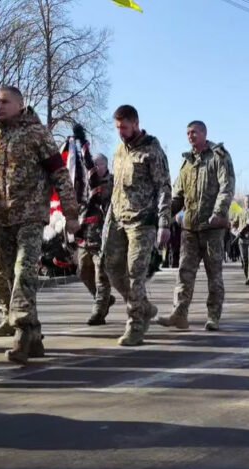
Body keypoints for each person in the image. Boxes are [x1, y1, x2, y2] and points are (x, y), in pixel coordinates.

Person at [0, 86, 79, 364]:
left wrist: (71, 213)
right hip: (1, 219)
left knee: (24, 273)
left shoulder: (37, 133)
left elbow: (59, 173)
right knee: (11, 277)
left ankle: (23, 334)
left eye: (4, 102)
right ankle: (34, 337)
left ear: (20, 104)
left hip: (30, 217)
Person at [104, 105, 172, 346]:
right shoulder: (119, 151)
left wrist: (164, 223)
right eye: (117, 128)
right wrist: (108, 220)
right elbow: (116, 188)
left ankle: (135, 324)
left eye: (124, 127)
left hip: (142, 222)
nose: (120, 132)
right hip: (117, 219)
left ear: (135, 124)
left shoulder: (152, 150)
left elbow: (164, 188)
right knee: (112, 269)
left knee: (135, 273)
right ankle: (143, 306)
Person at [157, 121, 235, 332]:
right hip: (190, 229)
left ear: (204, 133)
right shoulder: (187, 162)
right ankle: (179, 314)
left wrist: (219, 213)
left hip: (212, 228)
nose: (190, 136)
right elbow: (177, 196)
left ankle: (213, 316)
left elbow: (226, 187)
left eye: (194, 132)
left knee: (214, 275)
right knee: (184, 273)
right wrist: (163, 217)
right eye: (188, 133)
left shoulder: (218, 157)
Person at [75, 150, 114, 326]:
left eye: (100, 164)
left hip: (104, 237)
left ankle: (99, 312)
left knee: (102, 276)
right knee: (83, 271)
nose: (96, 167)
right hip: (86, 236)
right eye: (94, 164)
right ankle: (104, 299)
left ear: (106, 165)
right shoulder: (84, 184)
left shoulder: (113, 183)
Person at [232, 195, 249, 284]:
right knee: (244, 260)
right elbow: (233, 225)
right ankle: (247, 277)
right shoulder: (240, 212)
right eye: (246, 201)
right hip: (242, 240)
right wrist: (236, 232)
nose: (248, 203)